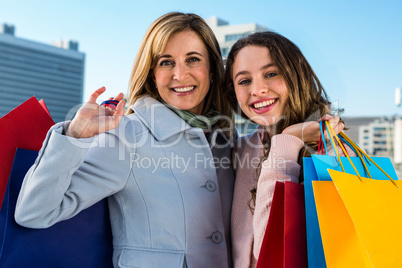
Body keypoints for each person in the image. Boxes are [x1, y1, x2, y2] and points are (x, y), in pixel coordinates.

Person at [15, 12, 236, 267]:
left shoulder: (228, 140)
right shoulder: (127, 135)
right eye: (166, 62)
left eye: (193, 59)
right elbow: (34, 211)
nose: (179, 74)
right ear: (152, 73)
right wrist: (74, 136)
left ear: (211, 70)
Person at [223, 31, 353, 267]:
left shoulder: (334, 154)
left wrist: (288, 140)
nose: (257, 90)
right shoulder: (242, 149)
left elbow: (272, 249)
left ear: (295, 76)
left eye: (271, 74)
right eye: (244, 81)